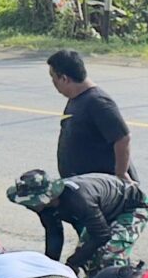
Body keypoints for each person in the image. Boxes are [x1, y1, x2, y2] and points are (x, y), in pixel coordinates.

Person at [8, 168, 148, 275]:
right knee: (88, 261)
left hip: (131, 207)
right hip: (101, 212)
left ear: (48, 197)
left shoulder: (79, 200)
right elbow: (54, 234)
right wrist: (50, 268)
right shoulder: (44, 207)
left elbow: (101, 235)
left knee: (108, 255)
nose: (29, 206)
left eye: (31, 202)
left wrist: (71, 263)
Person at [48, 49, 133, 180]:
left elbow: (123, 138)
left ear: (64, 78)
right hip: (81, 184)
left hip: (101, 189)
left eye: (53, 77)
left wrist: (121, 174)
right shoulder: (76, 98)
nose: (52, 82)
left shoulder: (98, 102)